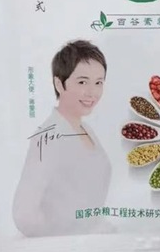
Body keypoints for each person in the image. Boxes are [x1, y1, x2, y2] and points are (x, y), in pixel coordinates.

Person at [13, 40, 112, 237]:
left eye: (98, 82)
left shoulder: (86, 129)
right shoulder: (49, 137)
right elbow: (24, 215)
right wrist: (64, 239)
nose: (92, 92)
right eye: (82, 82)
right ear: (59, 84)